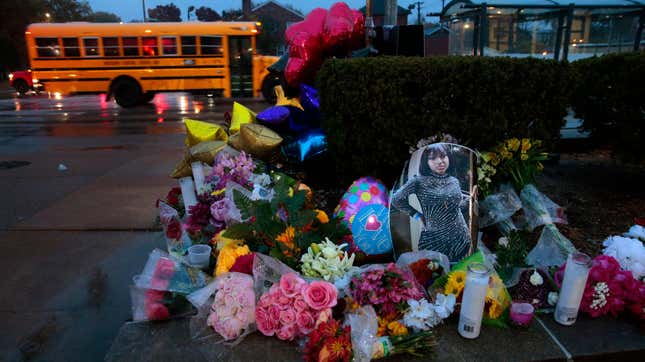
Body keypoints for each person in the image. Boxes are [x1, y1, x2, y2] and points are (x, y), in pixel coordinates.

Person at [391, 144, 471, 261]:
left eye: (443, 156)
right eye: (433, 158)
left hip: (461, 238)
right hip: (434, 240)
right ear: (426, 162)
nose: (440, 161)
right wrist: (417, 215)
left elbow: (453, 206)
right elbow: (396, 199)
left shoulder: (454, 181)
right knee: (432, 274)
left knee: (458, 275)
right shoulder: (418, 181)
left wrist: (467, 201)